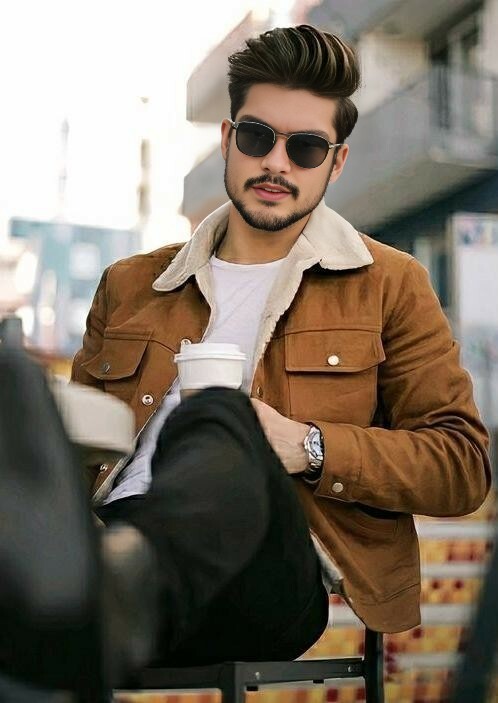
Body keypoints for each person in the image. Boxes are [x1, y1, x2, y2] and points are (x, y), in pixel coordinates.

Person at [71, 24, 490, 668]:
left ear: (336, 163)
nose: (276, 162)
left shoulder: (390, 283)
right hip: (110, 542)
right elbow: (73, 449)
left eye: (306, 148)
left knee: (217, 413)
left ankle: (111, 595)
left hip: (268, 569)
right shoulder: (129, 284)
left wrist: (309, 446)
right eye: (257, 137)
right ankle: (106, 591)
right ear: (227, 139)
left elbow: (461, 466)